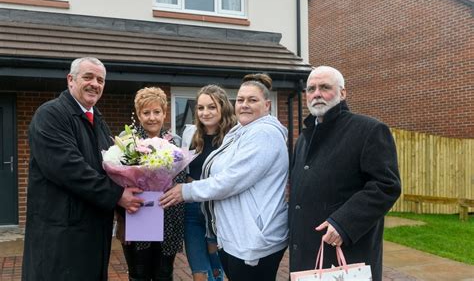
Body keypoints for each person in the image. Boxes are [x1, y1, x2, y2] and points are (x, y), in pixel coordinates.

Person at [22, 57, 143, 281]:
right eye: (88, 77)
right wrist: (117, 195)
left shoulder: (98, 121)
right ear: (71, 80)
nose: (95, 84)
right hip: (61, 236)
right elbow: (69, 168)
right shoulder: (50, 115)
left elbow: (112, 169)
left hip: (94, 233)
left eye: (100, 80)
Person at [161, 74, 289, 281]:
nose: (245, 105)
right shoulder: (242, 131)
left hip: (253, 238)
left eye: (252, 100)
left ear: (267, 105)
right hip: (234, 231)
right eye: (241, 99)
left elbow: (232, 179)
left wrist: (186, 190)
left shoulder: (264, 133)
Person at [288, 66, 401, 281]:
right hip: (304, 253)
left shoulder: (369, 130)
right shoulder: (304, 139)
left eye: (325, 87)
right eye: (311, 89)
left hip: (345, 251)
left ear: (343, 93)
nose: (317, 94)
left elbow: (386, 186)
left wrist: (344, 223)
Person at [115, 86, 186, 281]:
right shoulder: (127, 140)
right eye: (146, 112)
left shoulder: (175, 141)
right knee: (138, 274)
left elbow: (180, 177)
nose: (152, 117)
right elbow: (117, 178)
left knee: (164, 274)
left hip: (168, 216)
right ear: (138, 114)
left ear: (165, 113)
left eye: (157, 112)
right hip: (137, 213)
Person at [181, 85, 236, 281]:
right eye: (201, 107)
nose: (205, 112)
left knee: (216, 269)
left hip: (217, 209)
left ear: (223, 108)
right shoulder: (190, 134)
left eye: (211, 107)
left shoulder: (233, 138)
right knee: (199, 272)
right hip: (191, 209)